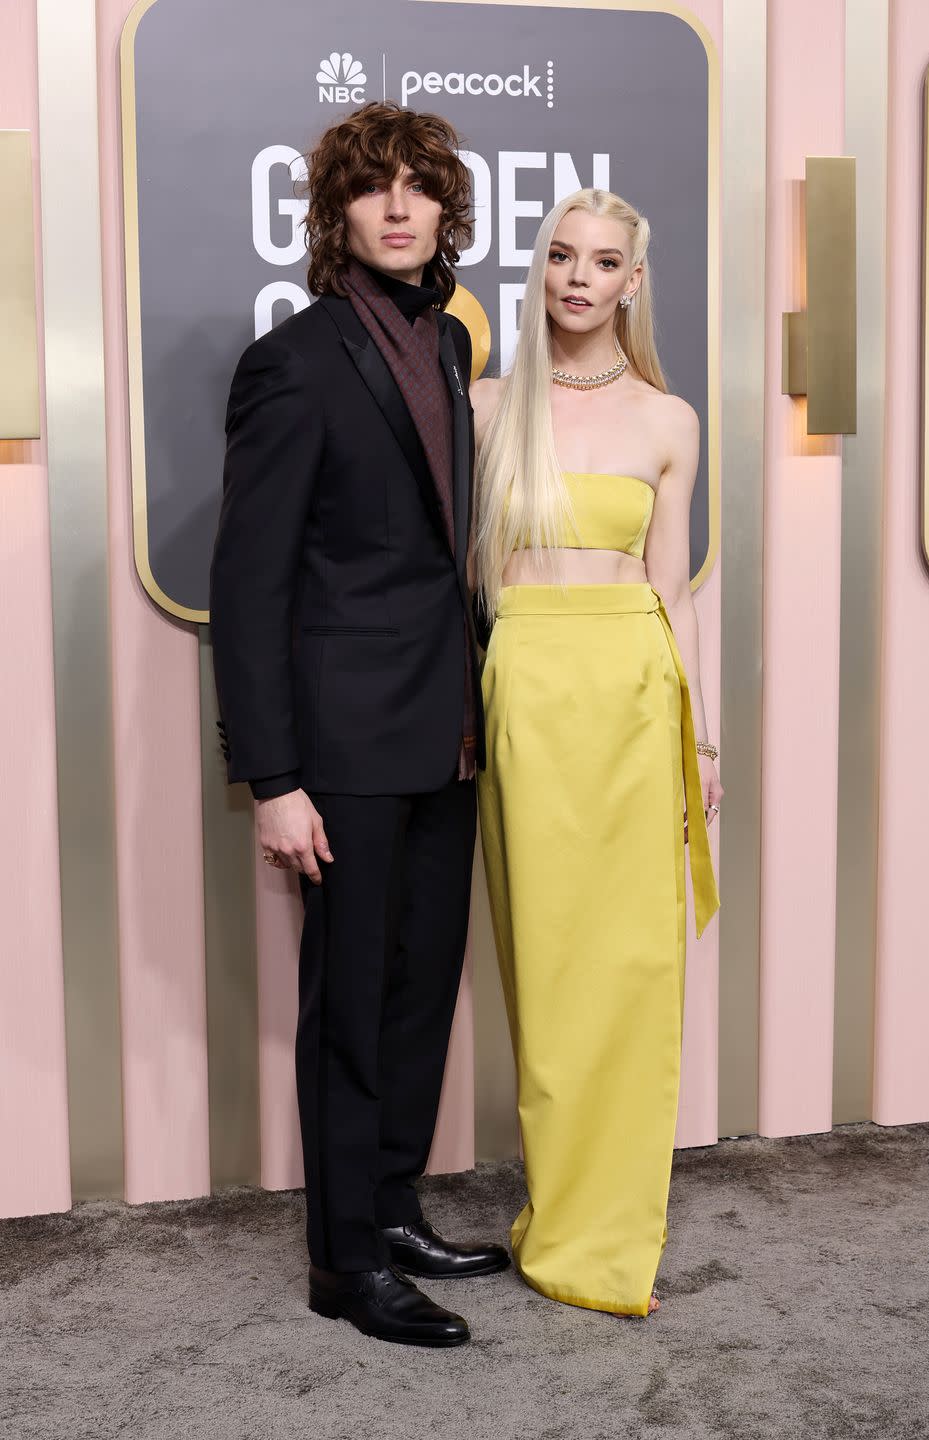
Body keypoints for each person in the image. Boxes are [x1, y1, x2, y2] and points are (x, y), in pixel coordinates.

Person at [209, 101, 508, 1350]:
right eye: (372, 189)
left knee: (420, 989)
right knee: (347, 1006)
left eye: (419, 188)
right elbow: (251, 581)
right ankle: (344, 1265)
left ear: (446, 211)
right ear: (335, 214)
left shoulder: (444, 347)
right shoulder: (296, 358)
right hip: (341, 744)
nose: (398, 207)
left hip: (445, 732)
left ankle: (391, 1208)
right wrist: (273, 776)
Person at [471, 188, 721, 1318]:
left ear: (633, 281)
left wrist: (698, 739)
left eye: (604, 260)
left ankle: (607, 1238)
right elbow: (467, 585)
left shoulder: (672, 422)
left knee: (630, 968)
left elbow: (674, 597)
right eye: (563, 254)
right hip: (525, 683)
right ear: (543, 268)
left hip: (630, 692)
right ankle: (560, 1210)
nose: (580, 276)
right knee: (551, 967)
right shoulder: (484, 408)